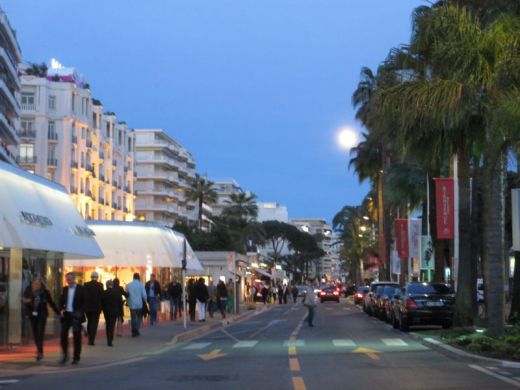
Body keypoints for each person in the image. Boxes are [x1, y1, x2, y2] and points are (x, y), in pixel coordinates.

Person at [22, 276, 60, 361]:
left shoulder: (45, 292)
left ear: (41, 285)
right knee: (35, 334)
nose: (36, 285)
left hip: (42, 315)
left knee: (40, 333)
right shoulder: (28, 290)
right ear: (32, 283)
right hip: (32, 314)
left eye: (38, 284)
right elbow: (24, 300)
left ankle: (39, 352)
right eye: (35, 283)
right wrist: (27, 301)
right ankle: (39, 349)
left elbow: (51, 303)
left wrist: (58, 313)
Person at [59, 272, 85, 364]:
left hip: (76, 316)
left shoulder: (81, 289)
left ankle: (76, 357)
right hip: (67, 315)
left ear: (74, 278)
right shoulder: (65, 289)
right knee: (63, 335)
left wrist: (80, 313)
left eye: (69, 279)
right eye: (67, 279)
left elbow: (84, 302)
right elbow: (61, 301)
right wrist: (61, 309)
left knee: (76, 336)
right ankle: (65, 355)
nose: (68, 281)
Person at [83, 271, 104, 346]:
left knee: (90, 322)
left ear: (91, 277)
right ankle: (91, 340)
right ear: (97, 277)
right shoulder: (100, 285)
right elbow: (102, 297)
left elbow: (84, 296)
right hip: (96, 308)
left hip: (88, 308)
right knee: (94, 324)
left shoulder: (86, 284)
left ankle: (89, 335)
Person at [125, 273, 147, 337]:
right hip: (139, 304)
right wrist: (145, 299)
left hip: (132, 304)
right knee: (139, 317)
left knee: (133, 317)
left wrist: (128, 301)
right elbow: (144, 295)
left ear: (133, 277)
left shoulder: (128, 285)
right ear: (139, 278)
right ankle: (136, 329)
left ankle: (134, 330)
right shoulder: (141, 285)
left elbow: (127, 294)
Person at [102, 280, 122, 347]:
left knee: (108, 324)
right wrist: (120, 312)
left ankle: (108, 338)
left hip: (106, 312)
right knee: (112, 325)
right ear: (112, 285)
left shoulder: (104, 292)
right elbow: (120, 302)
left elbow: (102, 302)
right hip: (114, 311)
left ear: (106, 285)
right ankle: (110, 340)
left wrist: (103, 309)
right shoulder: (117, 292)